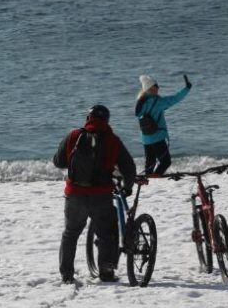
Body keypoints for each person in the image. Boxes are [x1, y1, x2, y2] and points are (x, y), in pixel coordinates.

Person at [53, 105, 136, 283]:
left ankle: (66, 276)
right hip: (101, 195)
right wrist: (128, 187)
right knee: (106, 234)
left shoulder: (74, 135)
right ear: (107, 120)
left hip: (74, 194)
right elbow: (129, 167)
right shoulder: (113, 140)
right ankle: (106, 272)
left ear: (87, 118)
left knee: (70, 233)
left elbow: (58, 162)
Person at [135, 74, 192, 176]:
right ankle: (155, 178)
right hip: (157, 137)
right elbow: (175, 99)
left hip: (145, 138)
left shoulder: (140, 102)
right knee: (166, 162)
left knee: (150, 163)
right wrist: (186, 88)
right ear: (150, 88)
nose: (158, 87)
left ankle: (148, 181)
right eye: (156, 86)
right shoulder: (158, 102)